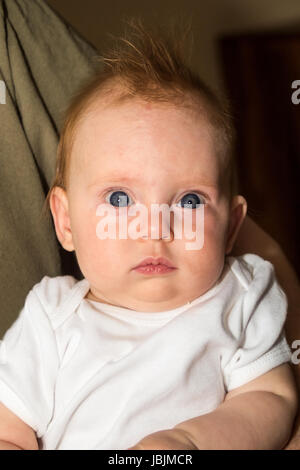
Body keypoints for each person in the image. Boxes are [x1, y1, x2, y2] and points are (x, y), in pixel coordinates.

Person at [0, 20, 298, 450]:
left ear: (232, 226)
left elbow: (271, 398)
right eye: (120, 199)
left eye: (190, 202)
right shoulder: (50, 320)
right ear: (66, 222)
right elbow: (8, 431)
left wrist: (188, 442)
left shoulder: (241, 296)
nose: (155, 229)